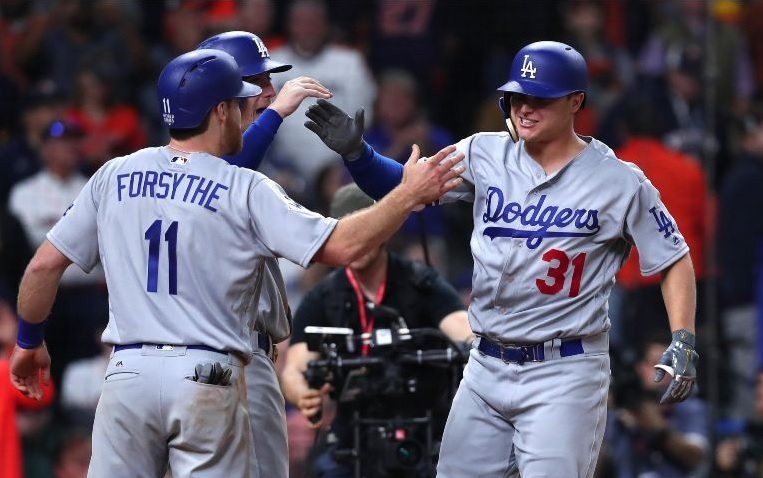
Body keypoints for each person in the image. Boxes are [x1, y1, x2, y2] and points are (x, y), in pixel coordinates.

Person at [8, 46, 462, 477]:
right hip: (205, 374)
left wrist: (29, 341)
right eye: (242, 103)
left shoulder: (114, 173)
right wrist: (406, 195)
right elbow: (344, 246)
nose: (250, 111)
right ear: (221, 111)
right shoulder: (244, 188)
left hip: (127, 373)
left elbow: (44, 266)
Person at [305, 40, 699, 477]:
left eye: (540, 99)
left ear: (575, 102)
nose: (525, 108)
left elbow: (673, 258)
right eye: (517, 97)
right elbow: (407, 187)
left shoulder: (619, 181)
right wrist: (360, 156)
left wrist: (682, 338)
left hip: (564, 371)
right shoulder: (483, 152)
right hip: (486, 365)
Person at [196, 29, 332, 478]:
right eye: (256, 82)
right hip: (213, 353)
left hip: (233, 354)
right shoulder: (197, 166)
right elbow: (217, 182)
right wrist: (274, 115)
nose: (271, 91)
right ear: (219, 97)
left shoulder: (243, 159)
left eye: (268, 81)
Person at [280, 183, 473, 477]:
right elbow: (295, 367)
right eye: (348, 232)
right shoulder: (323, 298)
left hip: (422, 436)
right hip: (352, 438)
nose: (358, 241)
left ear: (384, 229)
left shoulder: (420, 283)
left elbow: (462, 329)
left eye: (366, 229)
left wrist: (475, 345)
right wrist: (303, 394)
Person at [600, 337, 709, 478]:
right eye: (656, 364)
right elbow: (594, 465)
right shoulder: (621, 406)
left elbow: (695, 457)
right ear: (640, 368)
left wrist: (657, 428)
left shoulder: (689, 407)